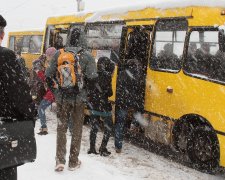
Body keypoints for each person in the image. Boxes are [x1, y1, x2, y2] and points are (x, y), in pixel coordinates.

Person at [45, 28, 98, 171]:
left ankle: (59, 161)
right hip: (79, 100)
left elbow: (48, 75)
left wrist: (57, 92)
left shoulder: (59, 54)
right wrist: (85, 93)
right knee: (77, 130)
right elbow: (93, 79)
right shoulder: (87, 56)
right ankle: (73, 161)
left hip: (62, 99)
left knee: (61, 129)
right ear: (83, 39)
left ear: (68, 38)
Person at [0, 15, 36, 180]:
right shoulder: (5, 57)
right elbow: (20, 95)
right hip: (3, 131)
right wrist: (29, 119)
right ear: (1, 35)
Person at [87, 57, 115, 156]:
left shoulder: (92, 74)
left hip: (93, 105)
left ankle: (92, 148)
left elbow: (88, 90)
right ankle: (103, 148)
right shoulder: (107, 76)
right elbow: (110, 93)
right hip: (104, 106)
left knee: (94, 127)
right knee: (108, 127)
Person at [115, 59, 144, 153]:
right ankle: (134, 124)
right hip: (133, 103)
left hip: (122, 103)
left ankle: (118, 146)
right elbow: (140, 91)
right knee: (137, 113)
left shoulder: (122, 74)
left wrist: (119, 100)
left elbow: (119, 88)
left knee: (120, 124)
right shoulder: (139, 76)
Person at [37, 47, 56, 135]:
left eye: (48, 55)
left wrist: (39, 72)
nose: (47, 57)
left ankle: (44, 128)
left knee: (41, 108)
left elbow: (47, 79)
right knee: (66, 111)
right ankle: (72, 130)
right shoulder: (56, 63)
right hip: (56, 91)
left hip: (53, 92)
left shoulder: (53, 65)